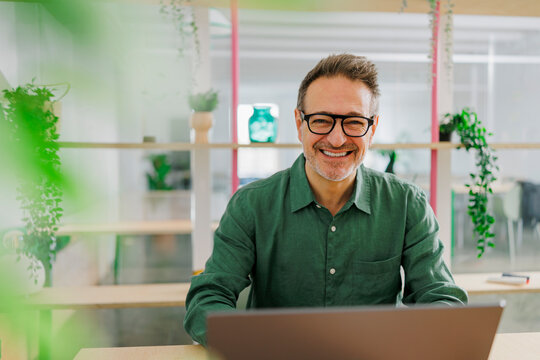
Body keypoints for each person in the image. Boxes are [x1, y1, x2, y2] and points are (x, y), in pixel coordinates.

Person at [184, 53, 468, 346]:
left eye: (354, 122)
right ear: (299, 122)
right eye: (321, 120)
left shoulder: (408, 204)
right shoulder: (251, 205)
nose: (336, 139)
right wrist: (247, 346)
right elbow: (209, 297)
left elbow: (441, 297)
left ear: (372, 128)